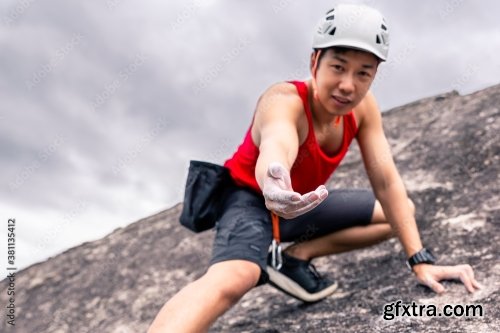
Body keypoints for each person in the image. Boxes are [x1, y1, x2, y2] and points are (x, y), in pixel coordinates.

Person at [148, 4, 481, 332]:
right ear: (314, 62)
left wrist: (420, 261)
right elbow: (278, 143)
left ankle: (294, 258)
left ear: (374, 76)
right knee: (238, 275)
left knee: (400, 212)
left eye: (363, 72)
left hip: (300, 204)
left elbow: (387, 181)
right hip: (250, 200)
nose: (349, 85)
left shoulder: (363, 110)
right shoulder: (283, 100)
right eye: (338, 66)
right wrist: (274, 180)